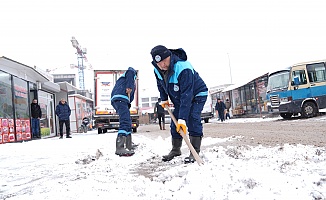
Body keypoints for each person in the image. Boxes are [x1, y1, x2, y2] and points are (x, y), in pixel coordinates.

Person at [150, 45, 208, 164]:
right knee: (175, 121)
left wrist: (183, 119)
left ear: (169, 56)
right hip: (180, 97)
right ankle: (176, 150)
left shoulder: (183, 67)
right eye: (159, 63)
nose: (162, 65)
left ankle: (194, 151)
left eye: (164, 61)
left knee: (192, 118)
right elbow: (161, 85)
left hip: (196, 94)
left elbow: (187, 95)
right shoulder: (158, 70)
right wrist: (164, 98)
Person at [111, 67, 137, 156]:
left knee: (128, 121)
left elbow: (131, 96)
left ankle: (129, 144)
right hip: (120, 98)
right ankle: (120, 147)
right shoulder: (131, 72)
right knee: (125, 121)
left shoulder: (127, 79)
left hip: (122, 100)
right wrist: (129, 86)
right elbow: (131, 70)